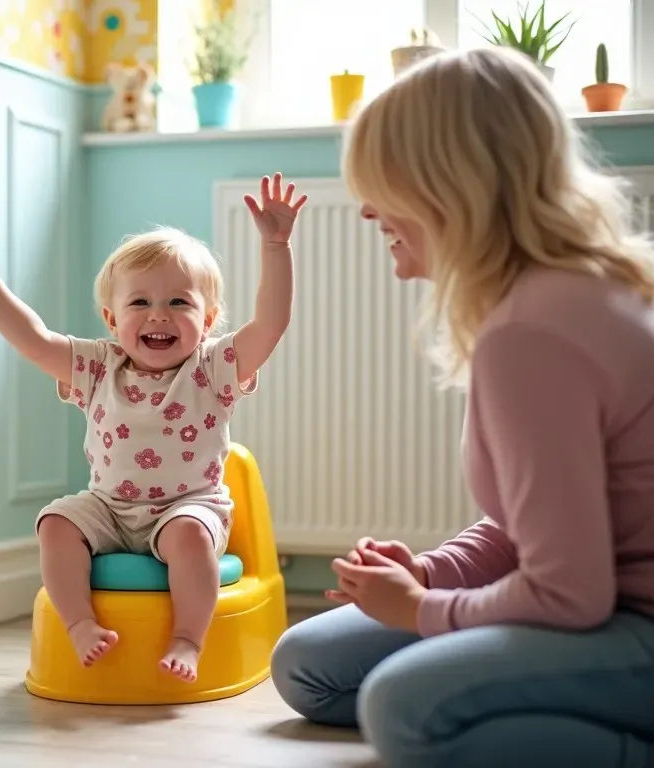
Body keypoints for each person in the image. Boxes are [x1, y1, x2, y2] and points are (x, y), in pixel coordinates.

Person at [270, 46, 654, 768]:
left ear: (448, 187)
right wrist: (433, 573)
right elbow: (535, 525)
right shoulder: (551, 296)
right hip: (602, 608)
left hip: (630, 626)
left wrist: (418, 611)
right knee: (311, 664)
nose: (366, 210)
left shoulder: (531, 334)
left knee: (400, 708)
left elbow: (570, 593)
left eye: (382, 186)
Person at [0, 174, 306, 681]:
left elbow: (272, 322)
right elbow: (34, 340)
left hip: (187, 505)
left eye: (179, 302)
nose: (159, 316)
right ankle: (80, 625)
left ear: (210, 317)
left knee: (191, 537)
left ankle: (188, 639)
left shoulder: (212, 369)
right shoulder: (97, 367)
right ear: (112, 320)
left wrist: (276, 244)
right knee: (56, 523)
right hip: (108, 507)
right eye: (140, 303)